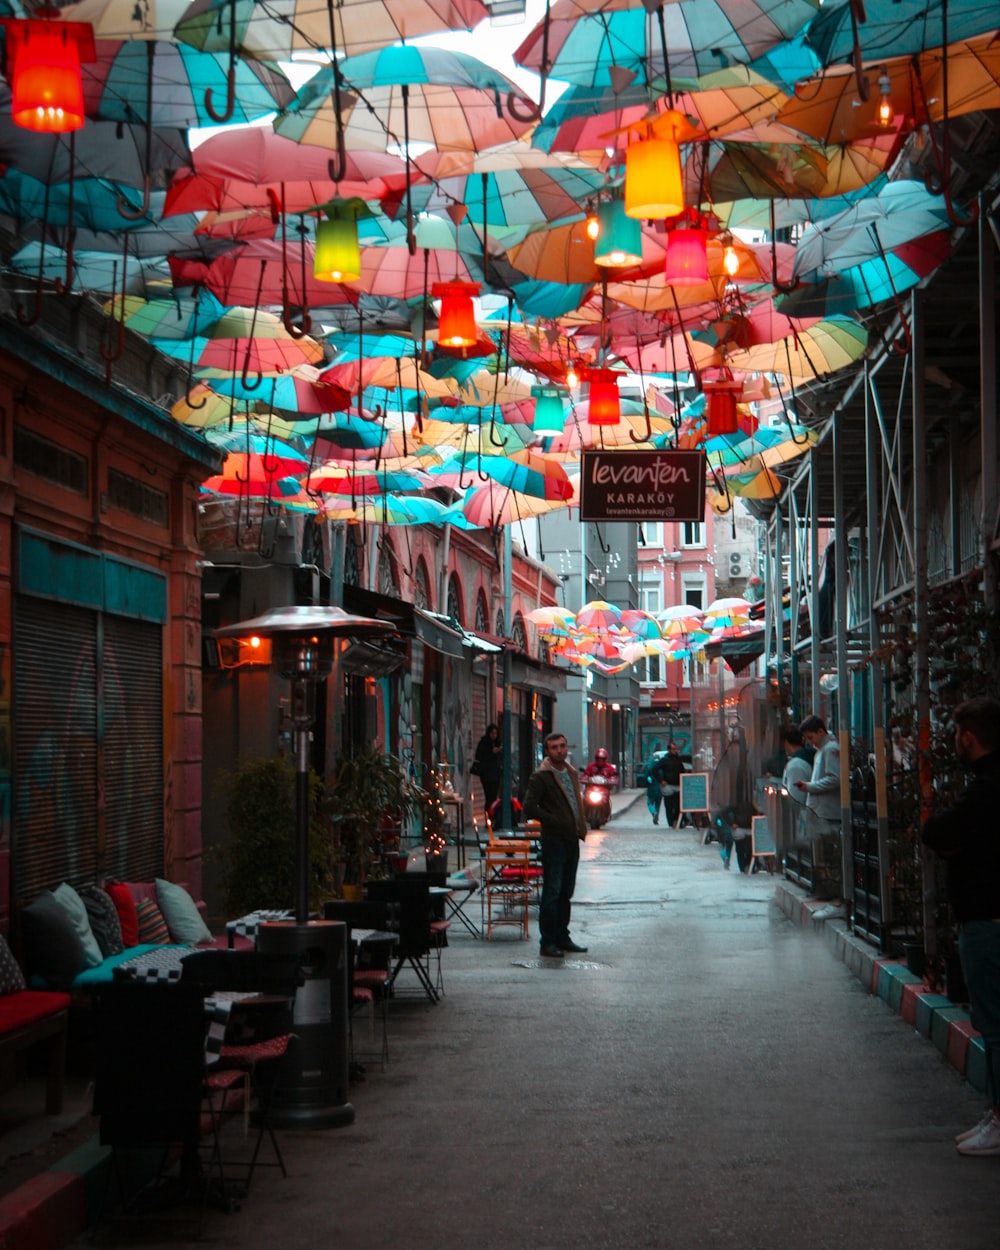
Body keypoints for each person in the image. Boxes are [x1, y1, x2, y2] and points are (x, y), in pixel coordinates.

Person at [921, 696, 1000, 1157]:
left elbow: (939, 834)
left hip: (987, 922)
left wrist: (959, 848)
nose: (953, 742)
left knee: (994, 1024)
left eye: (955, 734)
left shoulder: (986, 789)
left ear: (968, 737)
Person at [522, 732, 589, 958]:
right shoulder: (541, 777)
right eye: (554, 748)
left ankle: (563, 936)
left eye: (562, 746)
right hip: (554, 841)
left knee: (566, 892)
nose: (559, 750)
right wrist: (554, 820)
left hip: (571, 838)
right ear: (547, 752)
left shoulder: (570, 772)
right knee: (552, 891)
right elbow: (529, 807)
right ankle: (548, 941)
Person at [794, 714, 844, 914]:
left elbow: (835, 779)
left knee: (833, 857)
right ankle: (833, 897)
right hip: (823, 813)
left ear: (821, 732)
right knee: (828, 857)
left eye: (810, 737)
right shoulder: (822, 750)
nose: (808, 742)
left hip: (828, 814)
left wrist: (810, 787)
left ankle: (837, 899)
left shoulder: (830, 749)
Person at [710, 799, 758, 872]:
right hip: (735, 832)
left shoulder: (730, 810)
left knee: (740, 849)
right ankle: (743, 866)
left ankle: (740, 865)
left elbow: (718, 823)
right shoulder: (734, 808)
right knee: (743, 848)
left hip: (733, 833)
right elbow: (719, 822)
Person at [648, 742, 687, 827]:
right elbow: (654, 769)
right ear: (669, 750)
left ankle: (677, 820)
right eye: (673, 749)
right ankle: (671, 822)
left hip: (678, 784)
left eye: (675, 749)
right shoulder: (665, 760)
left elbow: (682, 770)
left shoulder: (678, 759)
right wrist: (661, 780)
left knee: (678, 805)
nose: (674, 751)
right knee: (669, 805)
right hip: (668, 785)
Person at [473, 724, 503, 815]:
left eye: (495, 733)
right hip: (486, 774)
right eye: (492, 733)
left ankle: (492, 816)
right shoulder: (484, 743)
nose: (494, 735)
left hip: (495, 774)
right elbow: (480, 756)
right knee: (489, 797)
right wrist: (492, 752)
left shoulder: (498, 743)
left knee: (493, 797)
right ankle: (488, 817)